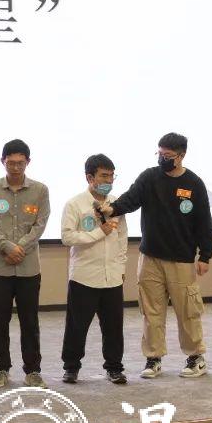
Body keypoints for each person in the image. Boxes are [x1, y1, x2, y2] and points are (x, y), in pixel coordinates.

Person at [100, 132, 212, 379]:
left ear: (181, 156)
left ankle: (196, 357)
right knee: (151, 311)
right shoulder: (149, 177)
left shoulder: (194, 183)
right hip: (150, 257)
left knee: (188, 311)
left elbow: (204, 222)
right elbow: (130, 199)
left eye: (167, 155)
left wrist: (205, 255)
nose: (162, 158)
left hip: (181, 259)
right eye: (159, 153)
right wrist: (112, 209)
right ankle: (153, 358)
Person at [0, 139, 51, 388]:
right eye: (11, 162)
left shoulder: (40, 190)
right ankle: (1, 369)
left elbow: (40, 224)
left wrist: (20, 247)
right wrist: (7, 247)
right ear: (3, 161)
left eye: (21, 162)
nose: (16, 167)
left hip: (29, 268)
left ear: (28, 162)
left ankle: (33, 371)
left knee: (30, 322)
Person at [60, 154, 128, 385]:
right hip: (84, 276)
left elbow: (122, 238)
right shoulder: (75, 204)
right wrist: (100, 232)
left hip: (112, 276)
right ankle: (71, 367)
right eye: (104, 176)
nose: (109, 180)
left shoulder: (117, 204)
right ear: (90, 177)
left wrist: (121, 266)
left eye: (111, 176)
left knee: (113, 328)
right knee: (77, 327)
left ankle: (114, 368)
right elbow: (67, 237)